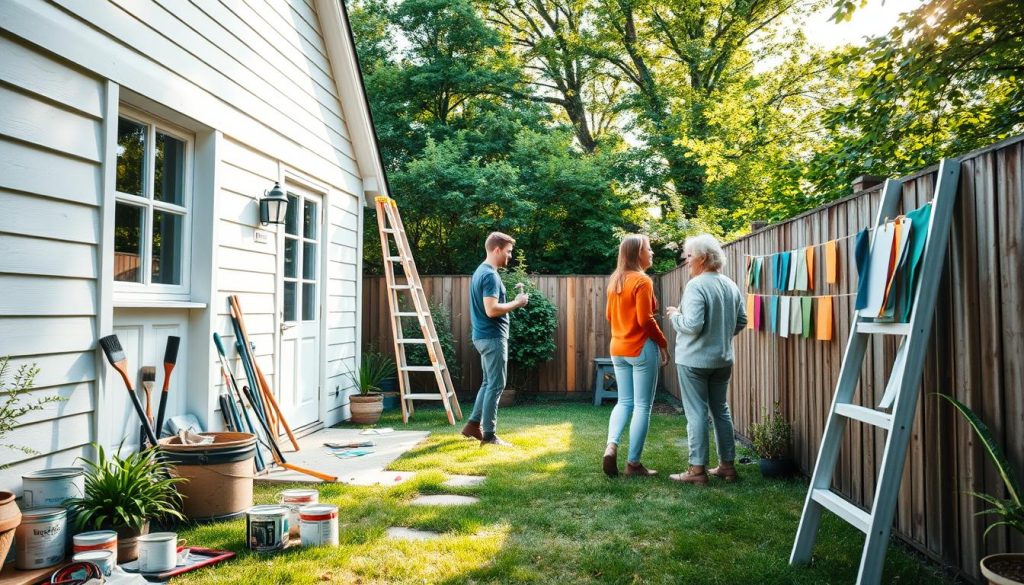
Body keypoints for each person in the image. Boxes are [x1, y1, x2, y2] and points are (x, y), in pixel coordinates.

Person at [666, 234, 747, 485]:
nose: (686, 261)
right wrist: (721, 334)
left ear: (702, 258)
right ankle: (727, 467)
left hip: (694, 362)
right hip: (722, 360)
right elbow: (742, 321)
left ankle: (697, 470)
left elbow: (692, 325)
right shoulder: (730, 284)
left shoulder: (697, 285)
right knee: (720, 410)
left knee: (697, 413)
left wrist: (674, 315)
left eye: (689, 256)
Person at [603, 234, 670, 477]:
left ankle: (611, 445)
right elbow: (645, 319)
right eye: (648, 249)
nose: (652, 253)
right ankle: (633, 464)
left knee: (624, 401)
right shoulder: (642, 280)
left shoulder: (615, 281)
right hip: (641, 348)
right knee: (642, 406)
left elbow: (610, 316)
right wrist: (663, 343)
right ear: (636, 254)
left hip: (617, 348)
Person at [461, 232, 529, 446]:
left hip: (482, 336)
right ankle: (489, 435)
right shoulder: (489, 275)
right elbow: (491, 310)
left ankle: (472, 425)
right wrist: (517, 303)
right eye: (508, 252)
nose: (509, 256)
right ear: (497, 249)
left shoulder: (480, 271)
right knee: (496, 385)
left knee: (488, 382)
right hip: (492, 337)